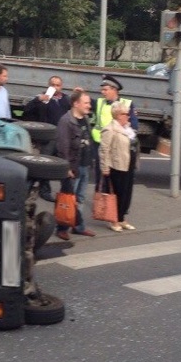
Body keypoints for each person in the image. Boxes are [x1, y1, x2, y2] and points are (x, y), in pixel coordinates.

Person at [53, 90, 97, 240]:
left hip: (84, 164)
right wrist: (67, 168)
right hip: (73, 167)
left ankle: (78, 226)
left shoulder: (84, 118)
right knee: (67, 198)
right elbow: (62, 147)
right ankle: (62, 227)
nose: (89, 106)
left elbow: (88, 139)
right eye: (86, 103)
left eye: (89, 103)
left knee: (80, 198)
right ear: (75, 104)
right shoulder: (66, 121)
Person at [22, 75, 71, 202]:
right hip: (49, 138)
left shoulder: (66, 100)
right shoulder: (43, 98)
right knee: (45, 163)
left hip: (62, 138)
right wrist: (38, 100)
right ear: (48, 85)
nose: (55, 87)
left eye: (58, 85)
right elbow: (26, 111)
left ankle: (66, 193)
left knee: (63, 165)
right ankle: (45, 190)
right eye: (52, 85)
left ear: (62, 86)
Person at [91, 74, 137, 187]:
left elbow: (134, 127)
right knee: (101, 174)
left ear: (114, 90)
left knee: (115, 176)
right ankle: (101, 201)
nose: (103, 92)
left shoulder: (127, 104)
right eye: (102, 89)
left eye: (105, 89)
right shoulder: (99, 102)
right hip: (101, 144)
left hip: (118, 146)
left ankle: (112, 201)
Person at [99, 101, 139, 232]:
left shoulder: (128, 129)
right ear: (117, 115)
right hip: (117, 166)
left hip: (128, 165)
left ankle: (122, 218)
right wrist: (105, 167)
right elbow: (104, 150)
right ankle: (114, 220)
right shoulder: (110, 129)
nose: (128, 116)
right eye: (126, 114)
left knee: (127, 194)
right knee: (117, 194)